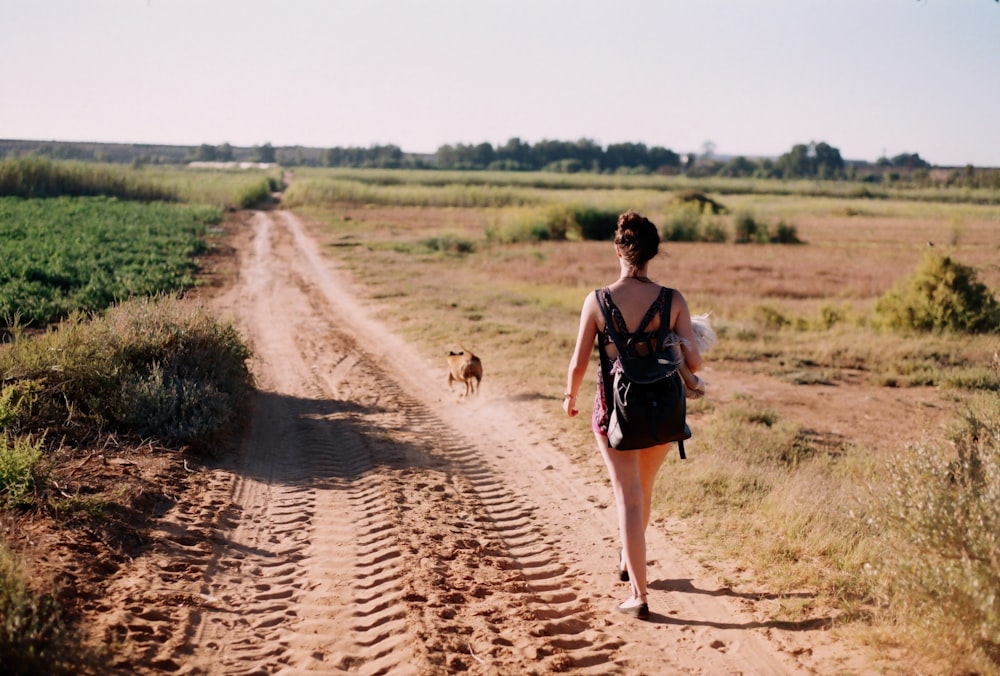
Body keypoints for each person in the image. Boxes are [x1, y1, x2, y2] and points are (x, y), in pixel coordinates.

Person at [563, 210, 702, 620]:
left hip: (613, 412)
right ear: (653, 253)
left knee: (628, 497)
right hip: (662, 409)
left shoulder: (597, 300)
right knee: (644, 489)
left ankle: (639, 595)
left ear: (617, 249)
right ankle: (628, 560)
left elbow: (578, 362)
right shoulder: (673, 299)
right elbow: (693, 361)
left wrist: (569, 396)